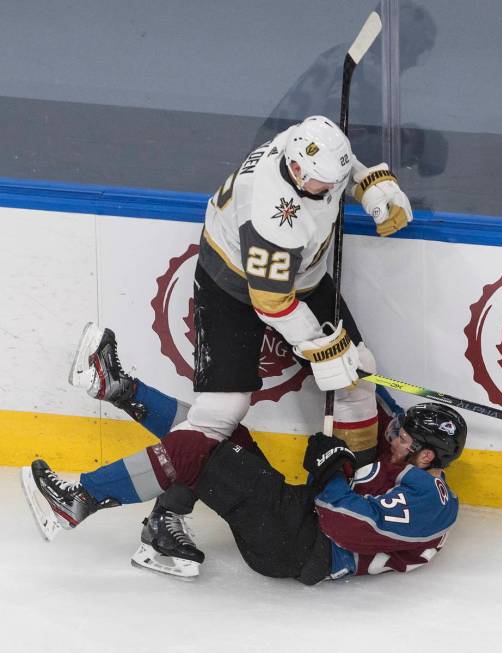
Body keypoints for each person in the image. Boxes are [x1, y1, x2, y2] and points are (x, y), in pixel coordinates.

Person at [69, 115, 414, 573]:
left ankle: (361, 485)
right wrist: (323, 349)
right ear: (295, 171)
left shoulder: (308, 147)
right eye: (318, 183)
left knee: (357, 380)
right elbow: (272, 302)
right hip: (232, 288)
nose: (324, 187)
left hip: (303, 281)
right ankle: (99, 499)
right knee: (220, 415)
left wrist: (368, 183)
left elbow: (340, 167)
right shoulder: (273, 214)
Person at [22, 372, 466, 585]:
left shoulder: (433, 498)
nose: (391, 436)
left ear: (428, 455)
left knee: (198, 450)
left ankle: (79, 500)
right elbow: (367, 394)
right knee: (224, 431)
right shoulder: (411, 466)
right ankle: (121, 389)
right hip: (294, 521)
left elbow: (345, 524)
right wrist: (338, 362)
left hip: (299, 545)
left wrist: (331, 471)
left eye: (401, 437)